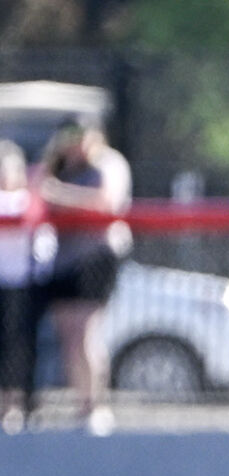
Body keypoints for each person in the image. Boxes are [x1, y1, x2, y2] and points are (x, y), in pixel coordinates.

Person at [33, 115, 131, 435]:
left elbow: (106, 202)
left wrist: (58, 193)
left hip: (95, 258)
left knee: (85, 332)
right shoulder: (58, 166)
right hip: (61, 261)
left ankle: (96, 406)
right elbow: (33, 191)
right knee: (68, 336)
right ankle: (80, 404)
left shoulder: (107, 163)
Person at [0, 139, 41, 433]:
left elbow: (31, 215)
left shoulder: (29, 199)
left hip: (21, 285)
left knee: (18, 345)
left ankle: (15, 405)